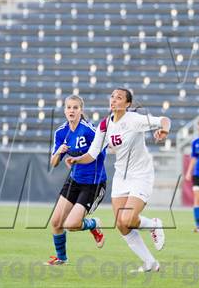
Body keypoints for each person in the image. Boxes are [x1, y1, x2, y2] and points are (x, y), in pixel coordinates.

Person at [66, 88, 171, 273]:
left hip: (141, 174)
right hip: (122, 177)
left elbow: (164, 120)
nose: (114, 100)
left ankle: (153, 224)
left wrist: (164, 131)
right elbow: (92, 153)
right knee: (122, 225)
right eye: (112, 96)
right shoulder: (105, 125)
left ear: (127, 104)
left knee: (129, 218)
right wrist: (77, 159)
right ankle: (150, 263)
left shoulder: (134, 119)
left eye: (119, 97)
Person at [47, 95, 107, 265]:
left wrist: (78, 159)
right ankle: (61, 258)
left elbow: (102, 151)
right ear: (64, 110)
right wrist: (59, 151)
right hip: (74, 181)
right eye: (68, 108)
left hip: (93, 184)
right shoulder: (60, 132)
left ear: (81, 110)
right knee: (56, 222)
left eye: (75, 108)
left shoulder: (89, 130)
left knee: (72, 225)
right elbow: (53, 163)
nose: (71, 111)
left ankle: (94, 224)